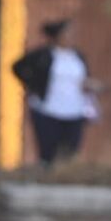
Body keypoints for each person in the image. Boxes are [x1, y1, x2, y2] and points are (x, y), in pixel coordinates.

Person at [20, 21, 92, 167]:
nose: (71, 37)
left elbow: (83, 78)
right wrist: (33, 86)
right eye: (67, 34)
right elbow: (19, 67)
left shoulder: (78, 56)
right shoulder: (43, 55)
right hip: (48, 109)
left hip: (74, 110)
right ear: (58, 36)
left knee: (69, 153)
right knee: (48, 153)